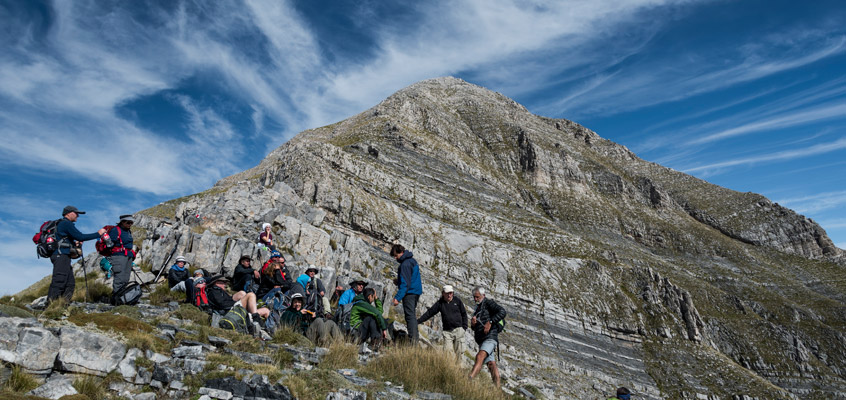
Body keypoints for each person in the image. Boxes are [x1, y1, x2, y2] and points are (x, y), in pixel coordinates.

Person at [47, 206, 106, 303]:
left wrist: (75, 244)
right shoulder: (66, 223)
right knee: (60, 280)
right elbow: (80, 236)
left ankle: (62, 305)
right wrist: (98, 233)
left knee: (70, 283)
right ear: (68, 213)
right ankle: (50, 305)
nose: (78, 215)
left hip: (61, 255)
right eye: (76, 213)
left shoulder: (63, 224)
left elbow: (66, 240)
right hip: (60, 255)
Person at [468, 287, 506, 388]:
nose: (475, 299)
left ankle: (469, 380)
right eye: (474, 297)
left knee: (479, 357)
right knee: (491, 364)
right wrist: (473, 324)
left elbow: (502, 312)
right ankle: (497, 390)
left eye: (477, 297)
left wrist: (490, 322)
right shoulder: (477, 308)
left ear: (483, 295)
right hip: (482, 340)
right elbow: (474, 327)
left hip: (490, 337)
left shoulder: (489, 303)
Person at [417, 285, 468, 357]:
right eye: (448, 293)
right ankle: (449, 367)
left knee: (459, 351)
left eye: (451, 293)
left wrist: (464, 327)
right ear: (443, 293)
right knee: (447, 352)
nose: (450, 295)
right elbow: (430, 313)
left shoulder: (457, 301)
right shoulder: (440, 303)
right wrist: (418, 321)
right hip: (447, 332)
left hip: (459, 330)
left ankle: (459, 367)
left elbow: (464, 314)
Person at [390, 244, 422, 343]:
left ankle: (413, 341)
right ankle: (415, 338)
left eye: (396, 255)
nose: (395, 258)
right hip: (415, 292)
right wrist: (398, 281)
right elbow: (410, 279)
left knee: (409, 316)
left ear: (401, 252)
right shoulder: (412, 261)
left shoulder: (405, 264)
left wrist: (397, 298)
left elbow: (405, 284)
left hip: (409, 293)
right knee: (412, 315)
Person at [350, 287, 388, 353]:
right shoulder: (361, 304)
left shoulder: (361, 302)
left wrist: (376, 298)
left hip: (357, 330)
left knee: (375, 317)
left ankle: (376, 342)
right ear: (370, 296)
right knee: (372, 318)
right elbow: (377, 314)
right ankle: (376, 343)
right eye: (373, 297)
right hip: (356, 332)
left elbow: (379, 312)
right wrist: (384, 329)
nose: (373, 300)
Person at [107, 215, 136, 296]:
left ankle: (122, 297)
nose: (130, 224)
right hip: (118, 256)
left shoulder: (128, 231)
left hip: (128, 256)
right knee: (119, 278)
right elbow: (110, 244)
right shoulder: (115, 230)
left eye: (131, 222)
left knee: (126, 278)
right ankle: (116, 298)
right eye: (128, 222)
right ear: (122, 222)